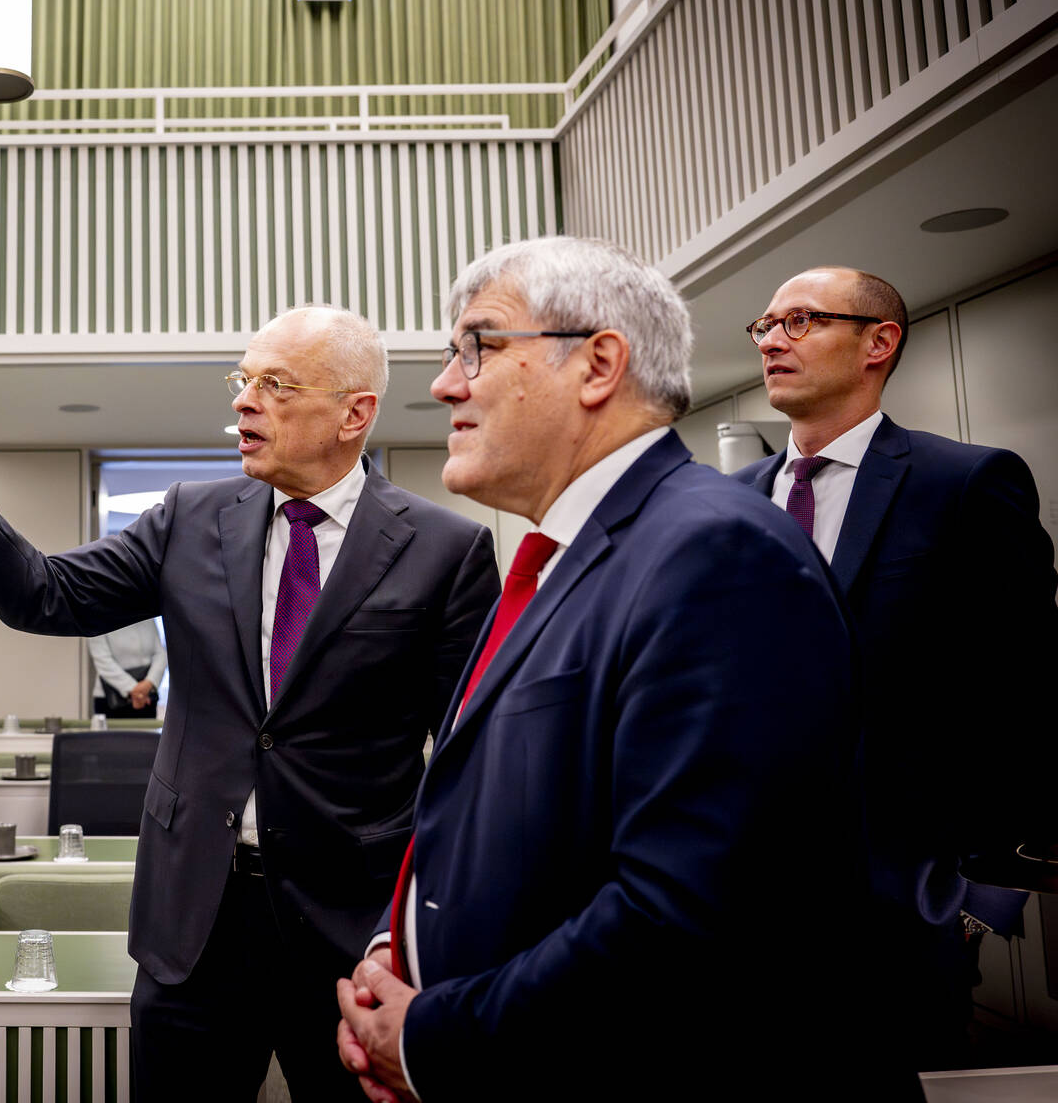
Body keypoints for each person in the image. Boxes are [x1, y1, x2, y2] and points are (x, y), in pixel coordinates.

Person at [0, 305, 499, 1098]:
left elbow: (467, 766)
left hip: (352, 934)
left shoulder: (445, 551)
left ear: (356, 412)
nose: (243, 402)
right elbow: (44, 594)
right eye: (243, 381)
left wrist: (425, 934)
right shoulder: (186, 518)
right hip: (195, 925)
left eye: (274, 385)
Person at [336, 237, 888, 1101]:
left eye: (478, 345)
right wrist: (392, 951)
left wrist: (431, 1039)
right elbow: (479, 805)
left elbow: (686, 917)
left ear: (597, 364)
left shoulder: (718, 553)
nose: (446, 384)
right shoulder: (556, 556)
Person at [732, 266, 1057, 1069]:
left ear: (879, 342)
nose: (772, 339)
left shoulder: (964, 484)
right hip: (738, 897)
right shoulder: (729, 502)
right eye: (765, 325)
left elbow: (1030, 687)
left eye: (800, 320)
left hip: (902, 899)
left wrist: (978, 891)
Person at [89, 617, 166, 717]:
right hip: (111, 699)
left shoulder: (145, 614)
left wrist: (148, 683)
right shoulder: (98, 617)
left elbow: (160, 653)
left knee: (147, 732)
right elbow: (102, 659)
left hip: (146, 697)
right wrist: (134, 689)